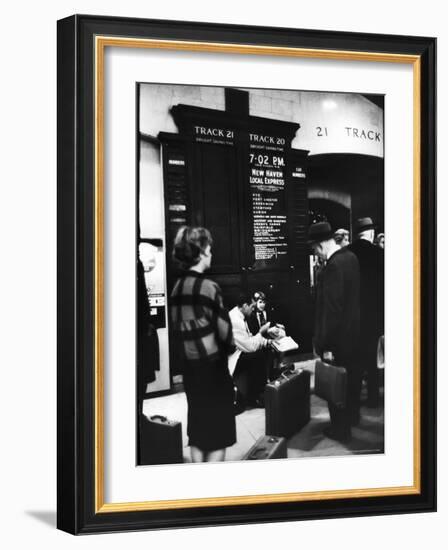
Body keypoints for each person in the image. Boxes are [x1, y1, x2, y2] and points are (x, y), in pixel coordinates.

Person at [170, 226, 236, 463]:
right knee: (219, 436)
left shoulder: (176, 289)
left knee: (198, 432)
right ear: (200, 252)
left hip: (190, 370)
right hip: (213, 371)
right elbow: (226, 335)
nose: (211, 253)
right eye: (209, 248)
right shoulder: (209, 288)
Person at [309, 221, 361, 442]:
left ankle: (340, 430)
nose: (316, 255)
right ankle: (350, 420)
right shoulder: (351, 258)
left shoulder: (333, 267)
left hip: (337, 340)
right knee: (348, 384)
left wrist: (325, 345)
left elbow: (331, 312)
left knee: (335, 385)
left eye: (314, 250)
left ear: (321, 245)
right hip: (352, 335)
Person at [348, 217, 385, 407]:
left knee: (354, 362)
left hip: (353, 317)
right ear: (371, 234)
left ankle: (353, 404)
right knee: (372, 359)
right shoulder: (380, 254)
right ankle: (372, 398)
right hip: (375, 316)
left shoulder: (348, 254)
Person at [229, 294, 276, 409]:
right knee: (257, 356)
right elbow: (250, 346)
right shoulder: (236, 320)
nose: (253, 309)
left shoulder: (239, 314)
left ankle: (263, 390)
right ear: (245, 306)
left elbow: (249, 337)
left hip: (240, 350)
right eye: (252, 307)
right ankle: (256, 396)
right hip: (232, 357)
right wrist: (261, 332)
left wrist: (268, 342)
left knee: (263, 350)